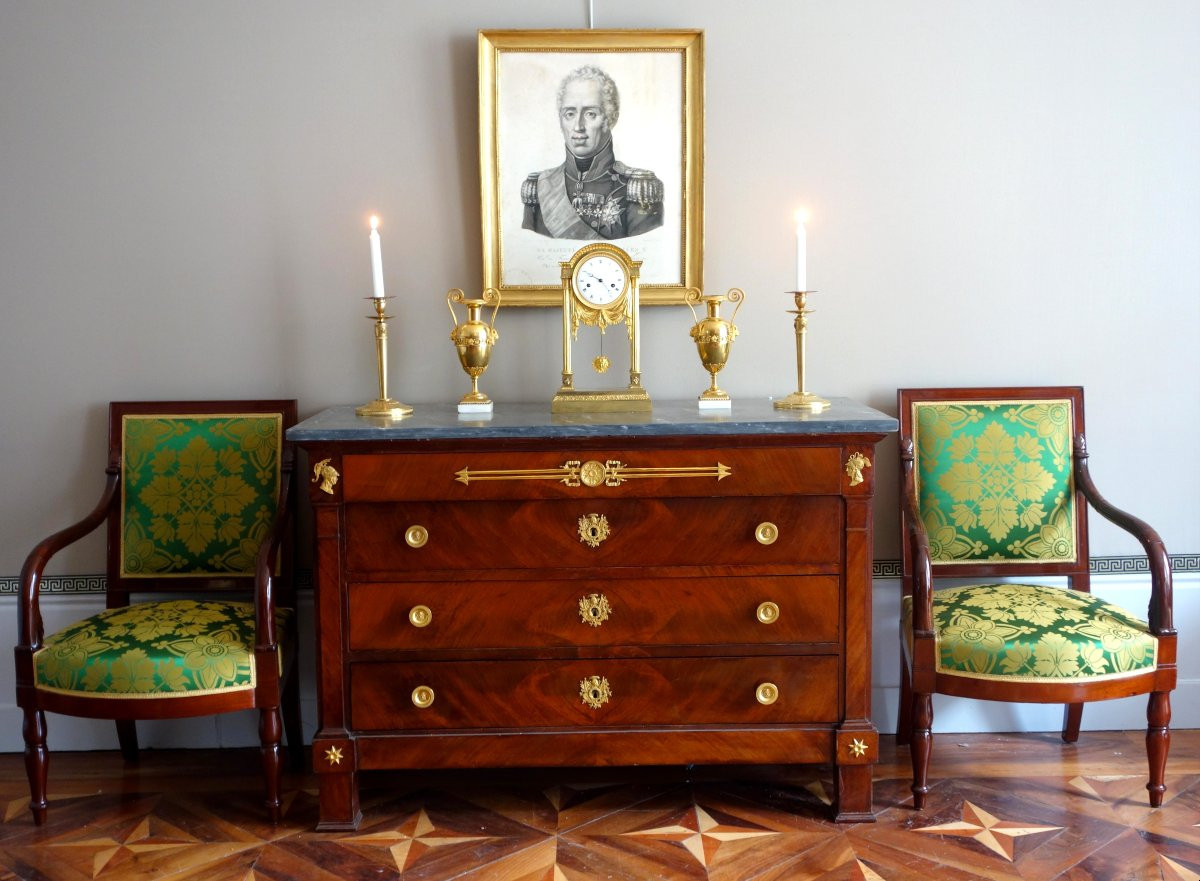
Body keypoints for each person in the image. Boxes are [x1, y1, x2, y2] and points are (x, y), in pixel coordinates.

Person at [522, 65, 664, 240]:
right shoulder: (540, 187)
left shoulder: (637, 189)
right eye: (570, 114)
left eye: (590, 113)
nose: (578, 127)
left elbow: (646, 258)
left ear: (611, 118)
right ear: (560, 119)